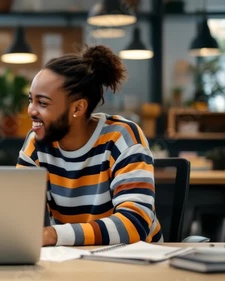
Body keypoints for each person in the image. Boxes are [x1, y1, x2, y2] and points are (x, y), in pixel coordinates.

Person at [17, 45, 162, 246]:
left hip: (135, 262)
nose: (31, 110)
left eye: (42, 103)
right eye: (31, 100)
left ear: (77, 108)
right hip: (69, 260)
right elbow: (20, 216)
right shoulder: (36, 143)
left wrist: (55, 235)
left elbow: (135, 224)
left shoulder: (122, 138)